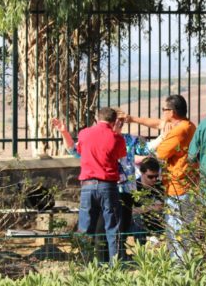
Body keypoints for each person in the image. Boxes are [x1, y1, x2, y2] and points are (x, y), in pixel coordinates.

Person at [126, 95, 196, 257]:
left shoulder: (179, 130)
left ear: (171, 112)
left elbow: (160, 153)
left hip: (178, 186)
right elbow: (158, 123)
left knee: (177, 230)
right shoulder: (187, 125)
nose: (163, 113)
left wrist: (163, 137)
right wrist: (133, 119)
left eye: (164, 110)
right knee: (182, 230)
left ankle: (178, 266)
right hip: (185, 184)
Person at [70, 107, 126, 263]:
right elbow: (121, 155)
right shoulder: (116, 137)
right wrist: (118, 132)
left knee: (85, 227)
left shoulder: (84, 133)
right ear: (114, 121)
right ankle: (115, 265)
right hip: (108, 185)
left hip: (87, 186)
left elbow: (79, 150)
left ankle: (84, 263)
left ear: (97, 117)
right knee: (112, 227)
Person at [132, 157, 165, 241]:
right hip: (138, 225)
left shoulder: (159, 185)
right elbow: (131, 210)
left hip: (156, 223)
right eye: (150, 177)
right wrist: (151, 207)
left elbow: (162, 206)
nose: (154, 179)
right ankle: (141, 244)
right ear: (142, 173)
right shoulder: (134, 187)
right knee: (137, 217)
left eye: (156, 176)